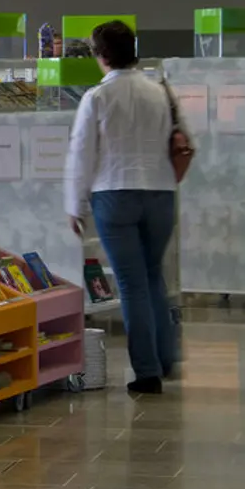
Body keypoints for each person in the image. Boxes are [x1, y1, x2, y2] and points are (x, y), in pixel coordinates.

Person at [64, 21, 189, 395]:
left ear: (100, 56)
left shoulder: (97, 97)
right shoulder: (159, 92)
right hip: (161, 193)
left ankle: (147, 372)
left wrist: (75, 205)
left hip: (113, 194)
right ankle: (165, 358)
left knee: (132, 284)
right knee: (153, 277)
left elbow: (82, 153)